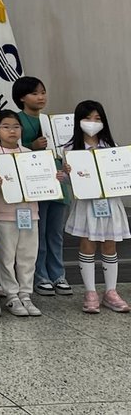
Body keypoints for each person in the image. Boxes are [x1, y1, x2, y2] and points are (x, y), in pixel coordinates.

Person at [60, 100, 130, 314]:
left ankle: (111, 291)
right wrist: (65, 175)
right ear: (78, 121)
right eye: (88, 118)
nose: (92, 122)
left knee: (110, 245)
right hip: (86, 204)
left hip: (110, 202)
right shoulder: (70, 149)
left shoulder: (111, 146)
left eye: (97, 118)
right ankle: (90, 292)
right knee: (87, 244)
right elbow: (71, 182)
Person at [11, 76, 71, 298]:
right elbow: (12, 149)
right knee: (38, 232)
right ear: (21, 97)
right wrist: (32, 146)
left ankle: (58, 274)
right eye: (35, 93)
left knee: (55, 233)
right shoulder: (16, 119)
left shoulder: (50, 121)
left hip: (58, 180)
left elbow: (64, 148)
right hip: (35, 182)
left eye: (43, 92)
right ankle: (40, 276)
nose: (41, 97)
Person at [0, 111, 43, 316]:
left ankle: (26, 294)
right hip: (4, 214)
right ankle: (12, 296)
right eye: (6, 127)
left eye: (16, 126)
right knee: (7, 256)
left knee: (28, 255)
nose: (12, 131)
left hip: (30, 213)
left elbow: (40, 180)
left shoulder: (29, 154)